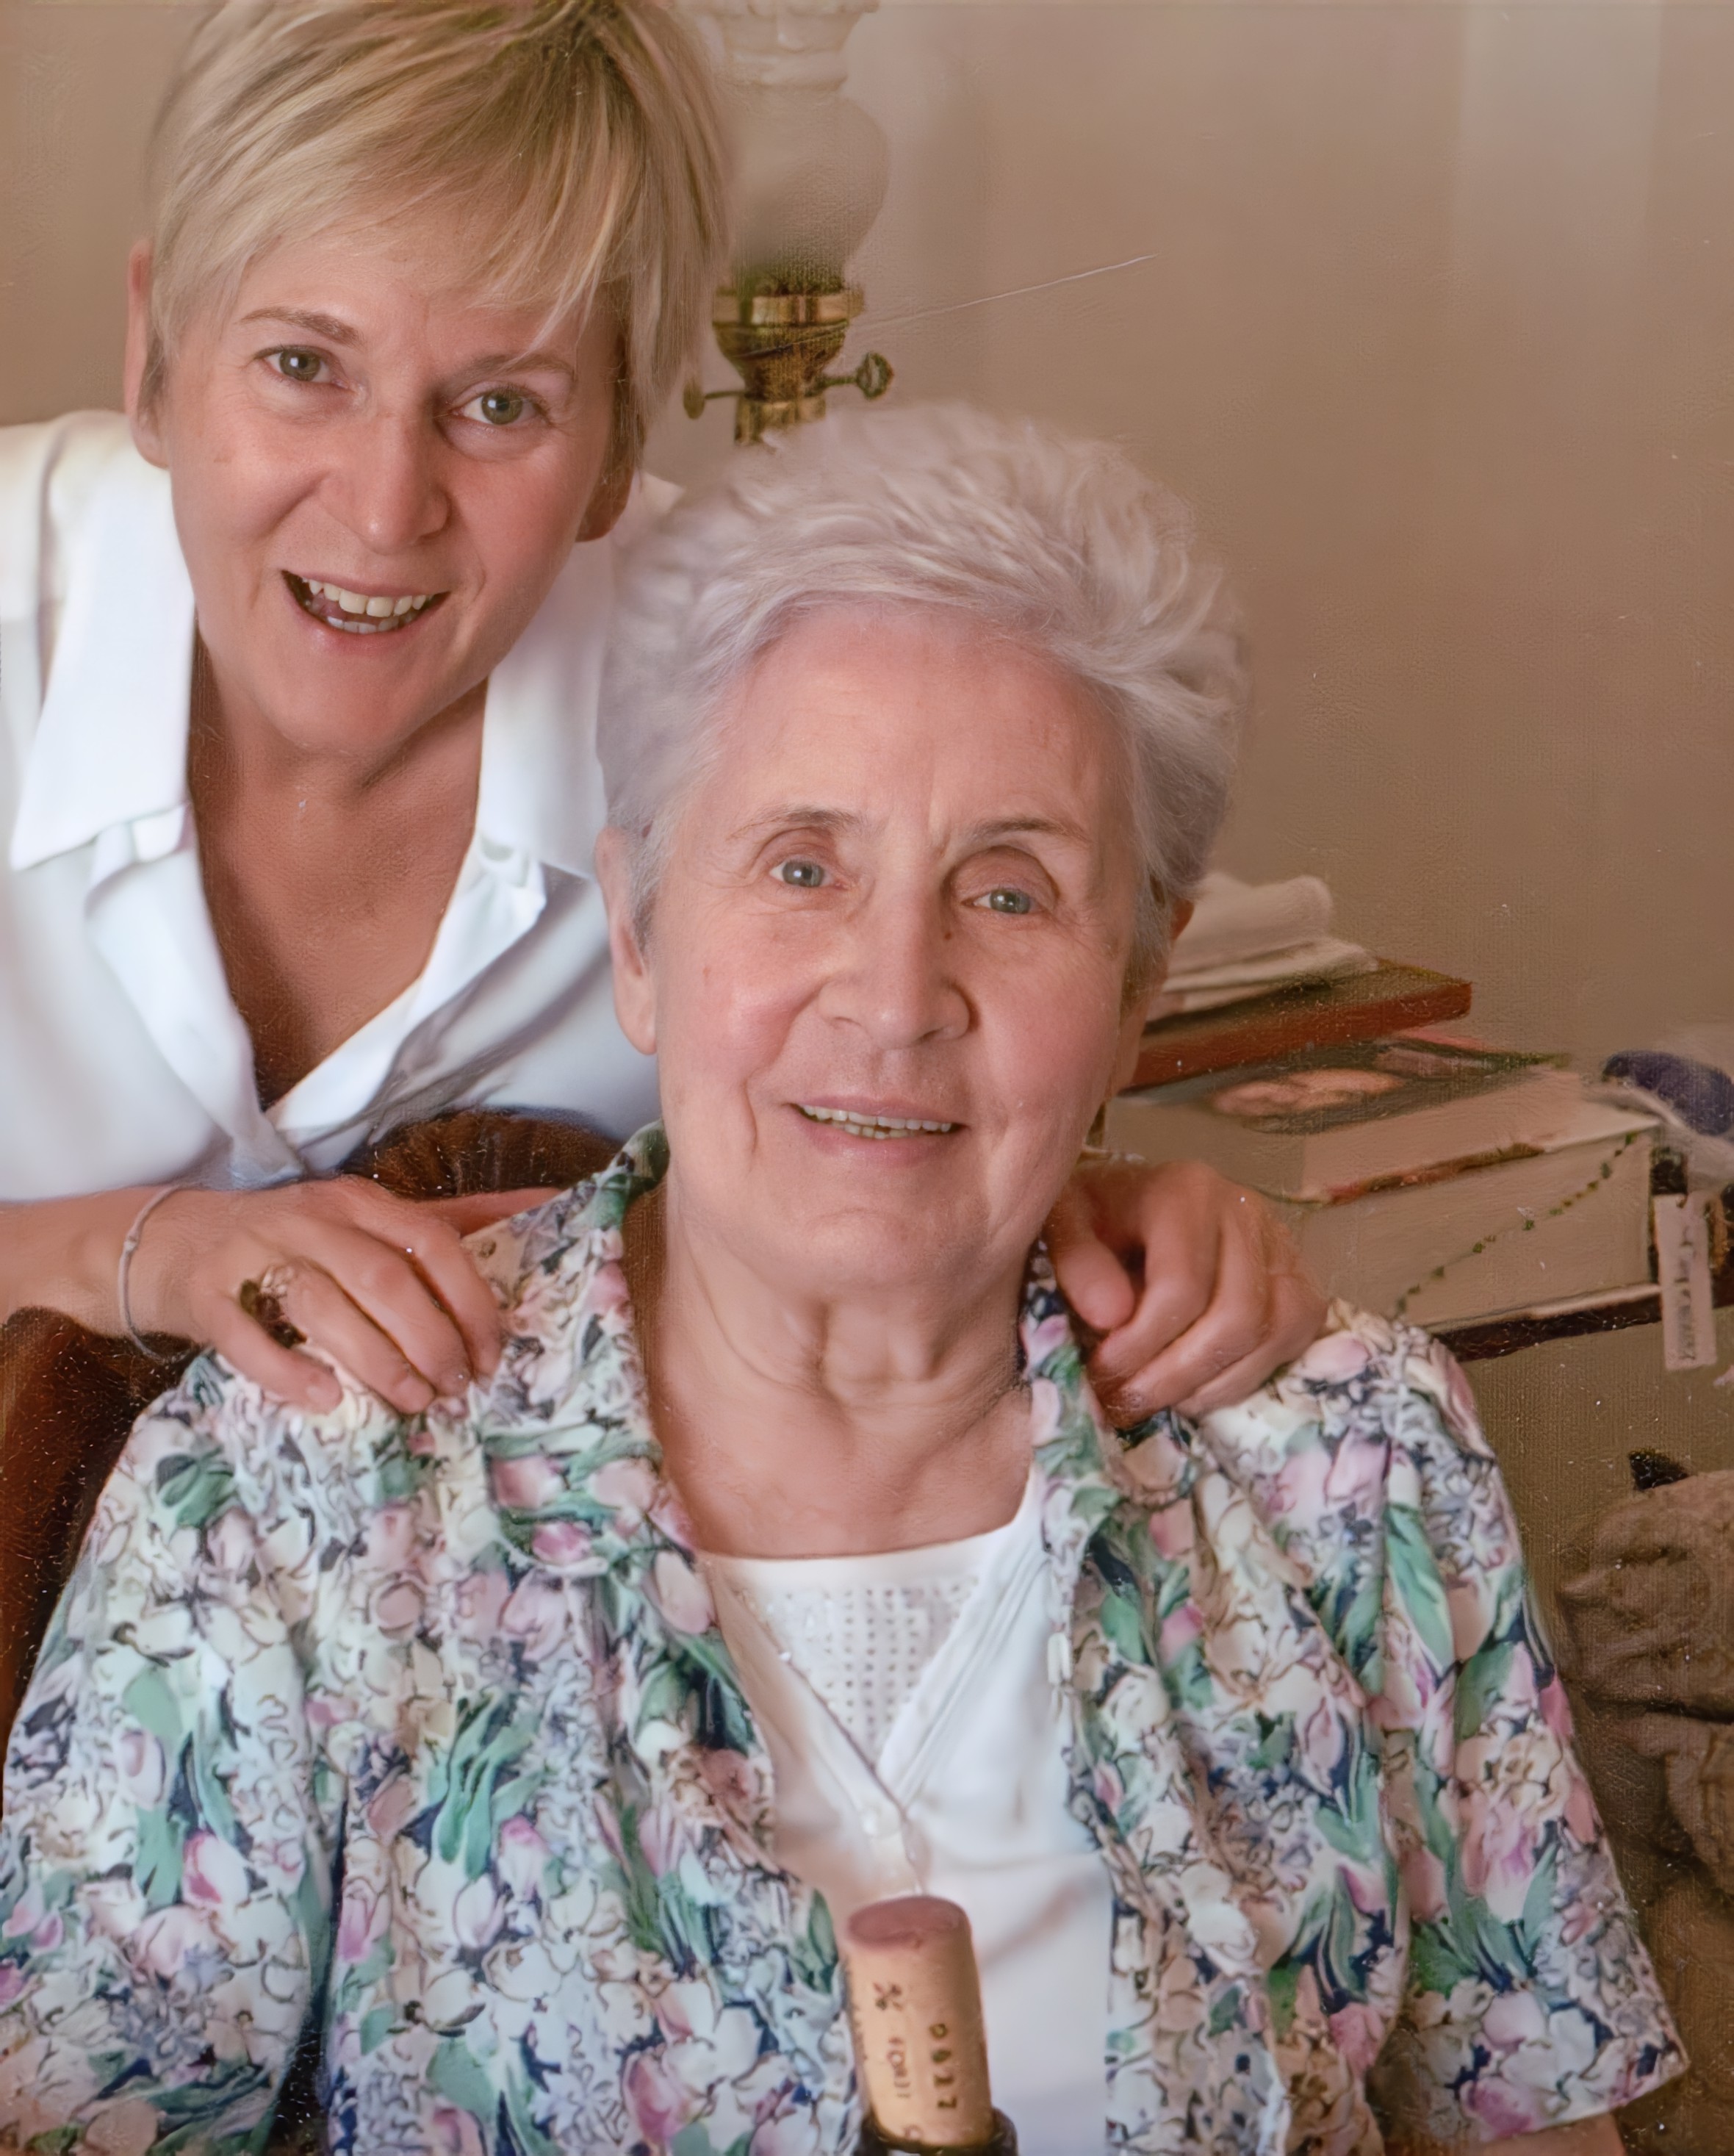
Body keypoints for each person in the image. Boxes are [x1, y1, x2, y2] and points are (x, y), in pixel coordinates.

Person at [0, 407, 1679, 2156]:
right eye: (802, 867)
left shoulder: (1351, 1462)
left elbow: (1531, 2122)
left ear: (1137, 991)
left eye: (1009, 894)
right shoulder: (292, 1495)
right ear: (639, 934)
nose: (893, 997)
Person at [0, 0, 1320, 1433]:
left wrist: (1119, 1212)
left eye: (501, 406)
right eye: (304, 368)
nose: (385, 510)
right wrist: (144, 1251)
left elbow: (939, 1044)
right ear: (154, 354)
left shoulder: (756, 687)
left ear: (622, 442)